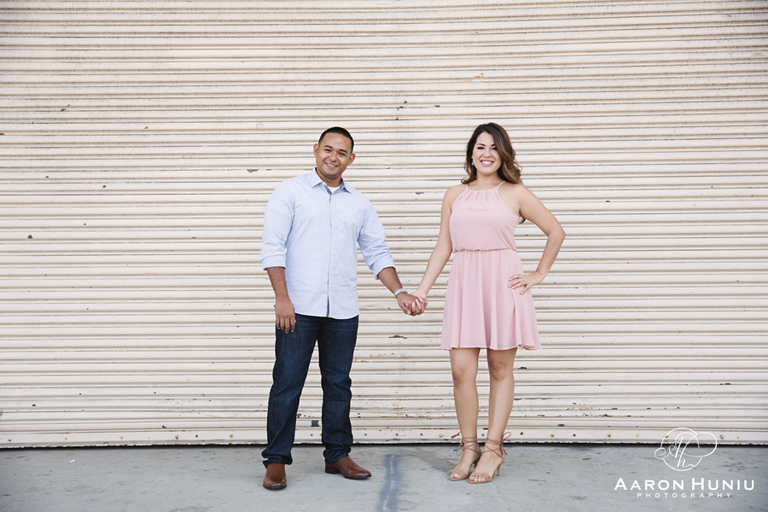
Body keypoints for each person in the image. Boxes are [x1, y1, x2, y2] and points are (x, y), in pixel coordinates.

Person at [259, 127, 424, 490]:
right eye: (328, 149)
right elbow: (273, 248)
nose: (333, 157)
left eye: (342, 152)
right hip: (298, 307)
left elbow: (377, 251)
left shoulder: (359, 204)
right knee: (287, 382)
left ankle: (337, 454)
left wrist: (399, 291)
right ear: (316, 150)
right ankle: (276, 460)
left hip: (343, 310)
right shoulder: (290, 192)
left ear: (351, 158)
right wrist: (282, 298)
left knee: (338, 384)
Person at [413, 123, 565, 484]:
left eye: (494, 148)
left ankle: (493, 449)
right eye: (480, 146)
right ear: (471, 153)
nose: (486, 153)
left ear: (503, 154)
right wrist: (422, 290)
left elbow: (556, 231)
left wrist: (538, 274)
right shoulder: (454, 194)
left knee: (499, 368)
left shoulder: (515, 192)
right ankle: (469, 448)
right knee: (461, 371)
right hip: (465, 284)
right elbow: (444, 245)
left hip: (502, 285)